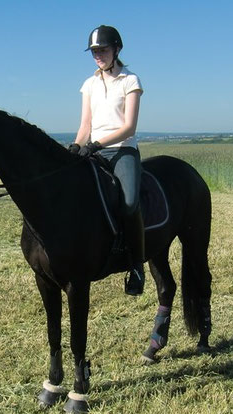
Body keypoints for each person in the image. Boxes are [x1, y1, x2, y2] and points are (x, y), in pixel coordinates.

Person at [71, 25, 145, 296]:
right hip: (94, 150)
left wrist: (96, 144)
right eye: (94, 52)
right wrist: (76, 147)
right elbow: (85, 125)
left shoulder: (130, 80)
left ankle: (137, 265)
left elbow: (129, 127)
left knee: (128, 202)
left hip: (123, 150)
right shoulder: (89, 84)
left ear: (116, 49)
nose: (98, 55)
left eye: (102, 50)